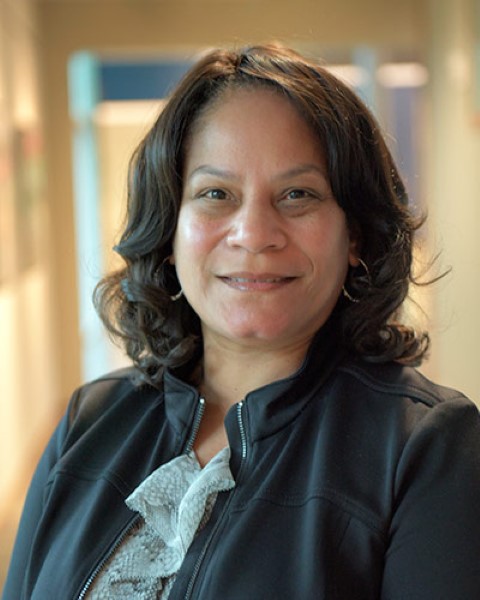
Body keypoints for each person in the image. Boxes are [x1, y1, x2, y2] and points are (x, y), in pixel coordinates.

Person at [3, 44, 480, 600]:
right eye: (215, 194)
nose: (253, 234)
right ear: (170, 232)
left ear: (355, 235)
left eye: (297, 194)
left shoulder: (426, 449)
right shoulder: (88, 422)